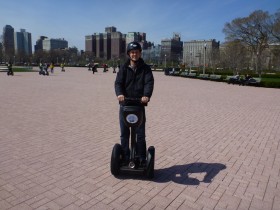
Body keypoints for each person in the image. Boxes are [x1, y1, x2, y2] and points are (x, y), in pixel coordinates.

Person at [114, 41, 154, 165]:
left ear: (140, 53)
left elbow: (149, 83)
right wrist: (120, 94)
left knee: (140, 134)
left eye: (136, 52)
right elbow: (118, 83)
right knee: (124, 134)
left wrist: (146, 96)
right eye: (132, 52)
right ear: (128, 54)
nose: (134, 54)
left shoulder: (146, 69)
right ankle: (126, 157)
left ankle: (141, 157)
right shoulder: (123, 68)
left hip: (139, 105)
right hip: (125, 105)